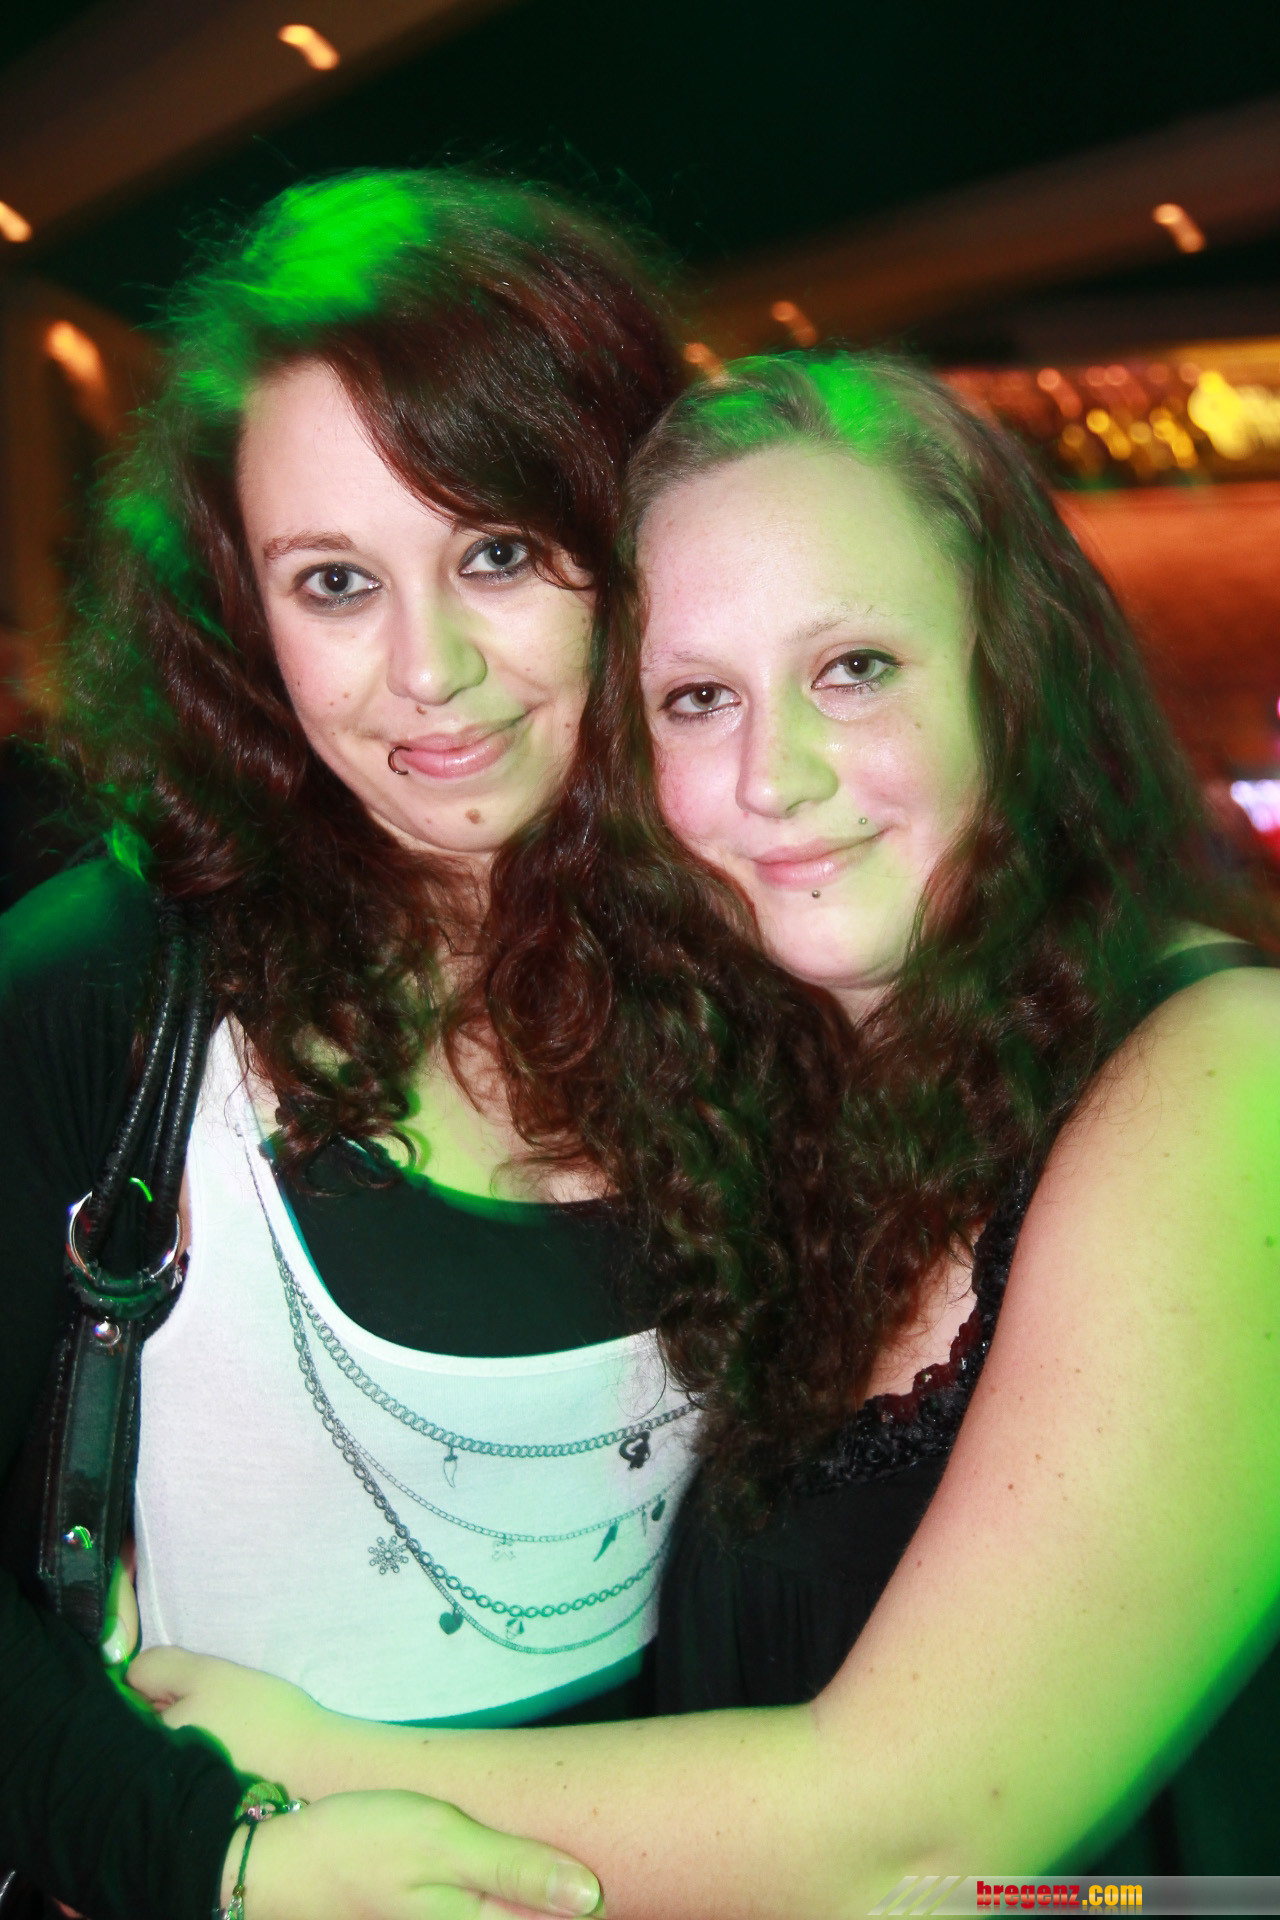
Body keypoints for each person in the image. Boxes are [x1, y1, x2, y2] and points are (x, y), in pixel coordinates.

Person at [131, 351, 1280, 1915]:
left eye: (854, 668)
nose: (773, 778)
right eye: (698, 699)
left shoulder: (1224, 1079)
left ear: (1017, 678)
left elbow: (918, 1832)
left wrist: (303, 1763)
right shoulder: (776, 1117)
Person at [0, 167, 698, 1920]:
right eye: (334, 582)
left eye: (496, 553)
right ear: (241, 613)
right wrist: (220, 1863)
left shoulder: (754, 967)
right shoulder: (102, 993)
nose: (429, 670)